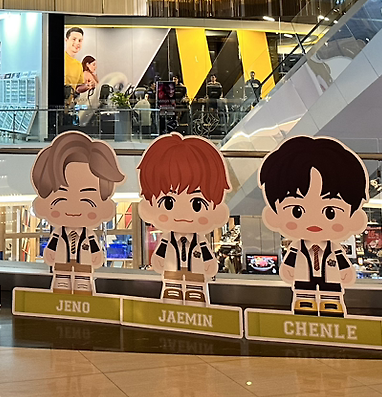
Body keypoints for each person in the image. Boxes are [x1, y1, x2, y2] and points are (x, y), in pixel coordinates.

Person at [259, 135, 369, 317]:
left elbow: (341, 260)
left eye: (330, 212)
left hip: (330, 278)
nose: (314, 221)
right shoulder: (298, 246)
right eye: (297, 211)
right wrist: (288, 268)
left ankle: (331, 303)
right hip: (303, 279)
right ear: (274, 214)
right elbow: (290, 260)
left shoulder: (332, 248)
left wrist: (344, 270)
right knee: (304, 293)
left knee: (331, 293)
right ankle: (305, 301)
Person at [138, 133, 232, 304]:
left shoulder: (199, 240)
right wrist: (158, 260)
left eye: (197, 204)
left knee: (195, 295)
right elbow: (160, 253)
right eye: (168, 203)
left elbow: (206, 255)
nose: (182, 215)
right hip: (171, 276)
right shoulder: (167, 238)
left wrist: (209, 263)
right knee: (171, 294)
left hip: (196, 275)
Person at [30, 130, 124, 294]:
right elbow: (53, 244)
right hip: (61, 264)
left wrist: (96, 254)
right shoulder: (59, 233)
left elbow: (94, 246)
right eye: (60, 199)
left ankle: (82, 286)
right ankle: (62, 286)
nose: (73, 207)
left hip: (84, 265)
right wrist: (50, 252)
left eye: (87, 200)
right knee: (61, 280)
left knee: (83, 280)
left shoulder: (87, 234)